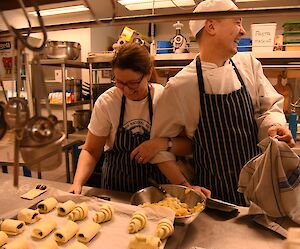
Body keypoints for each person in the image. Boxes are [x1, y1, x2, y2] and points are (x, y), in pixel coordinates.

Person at [142, 0, 294, 206]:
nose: (242, 31)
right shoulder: (181, 86)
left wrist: (275, 126)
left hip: (258, 190)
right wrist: (186, 186)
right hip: (213, 196)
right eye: (237, 23)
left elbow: (268, 108)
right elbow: (159, 149)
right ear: (211, 26)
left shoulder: (248, 65)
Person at [68, 43, 211, 196]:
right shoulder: (107, 102)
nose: (127, 90)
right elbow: (91, 150)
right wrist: (77, 184)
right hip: (116, 188)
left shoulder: (163, 98)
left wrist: (162, 144)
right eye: (120, 83)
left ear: (148, 74)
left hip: (157, 190)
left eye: (133, 83)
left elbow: (188, 146)